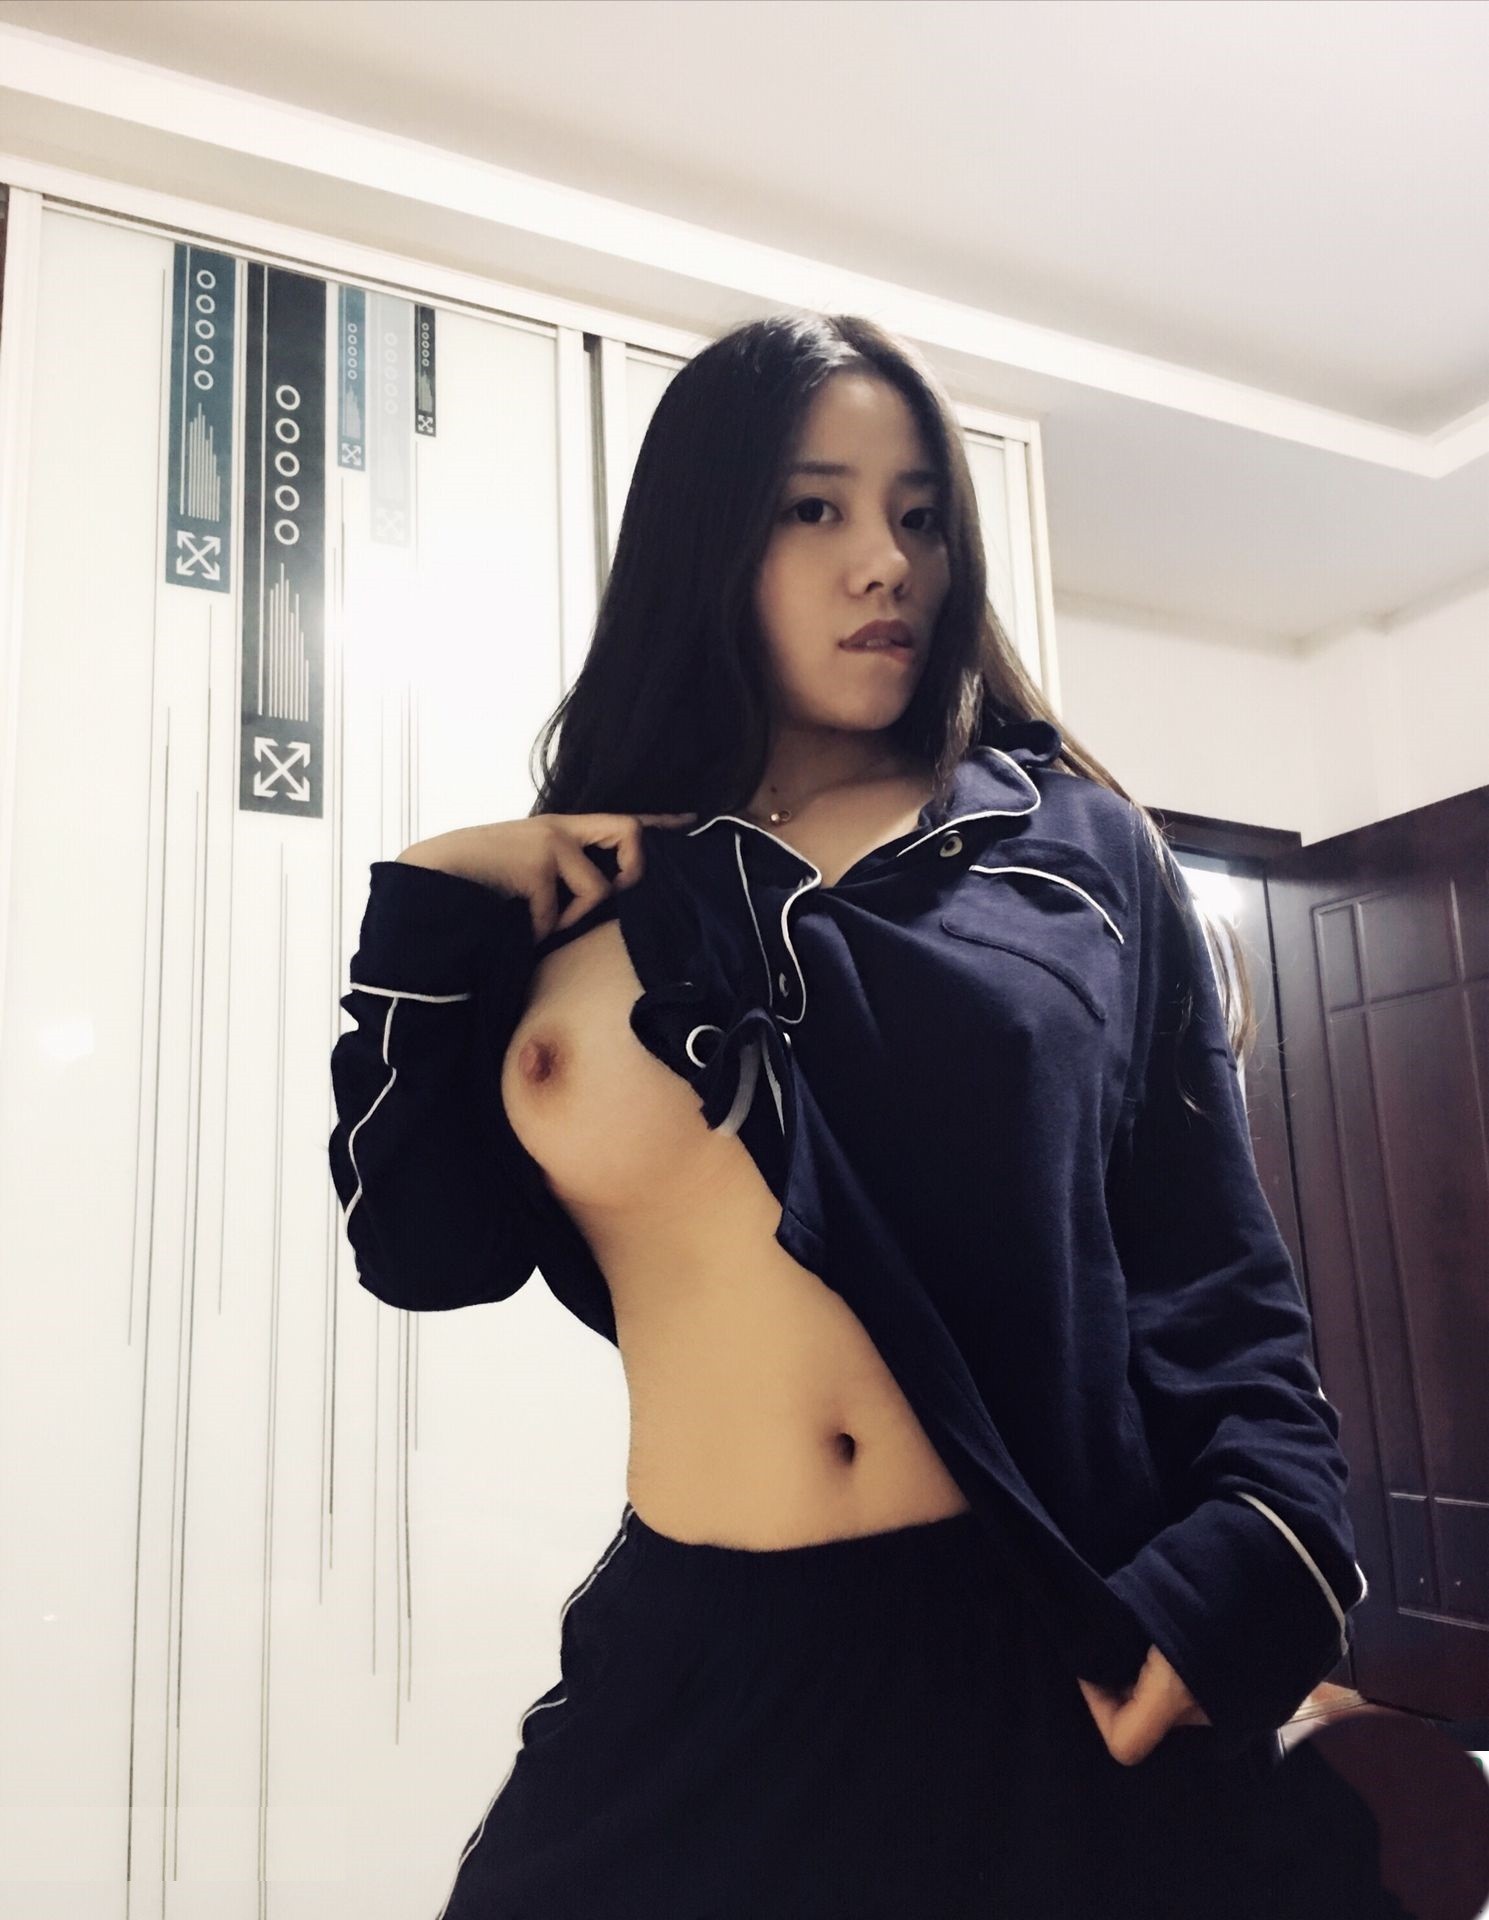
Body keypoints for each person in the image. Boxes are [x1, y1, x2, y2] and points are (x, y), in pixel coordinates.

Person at [328, 312, 1396, 1919]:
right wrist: (425, 925)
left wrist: (1251, 1567)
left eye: (918, 515)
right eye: (811, 507)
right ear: (707, 536)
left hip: (1028, 1638)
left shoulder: (1068, 850)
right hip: (693, 1651)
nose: (884, 560)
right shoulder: (584, 887)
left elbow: (1218, 1281)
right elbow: (424, 1255)